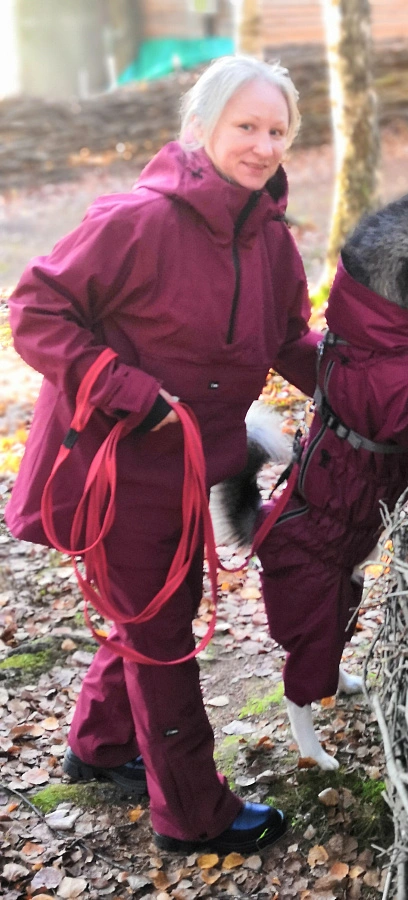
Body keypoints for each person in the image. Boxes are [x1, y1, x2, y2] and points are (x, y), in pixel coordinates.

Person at [5, 55, 321, 854]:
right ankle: (192, 814)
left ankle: (100, 744)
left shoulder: (275, 243)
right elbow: (35, 309)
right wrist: (124, 387)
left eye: (276, 130)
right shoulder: (134, 221)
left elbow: (291, 342)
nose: (261, 145)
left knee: (152, 617)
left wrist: (386, 380)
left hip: (196, 471)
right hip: (117, 469)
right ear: (199, 129)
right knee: (163, 638)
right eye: (244, 126)